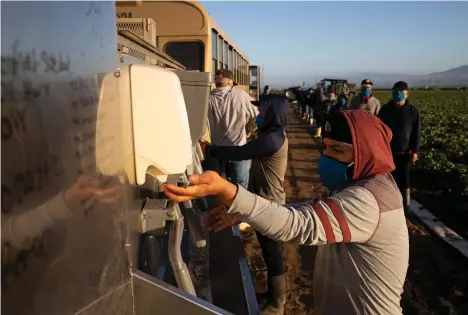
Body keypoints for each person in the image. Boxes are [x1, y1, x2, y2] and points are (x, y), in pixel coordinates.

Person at [163, 110, 409, 315]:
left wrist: (229, 192)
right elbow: (308, 211)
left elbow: (299, 225)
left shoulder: (368, 200)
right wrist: (242, 214)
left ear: (365, 154)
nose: (325, 155)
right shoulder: (359, 184)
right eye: (325, 147)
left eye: (337, 150)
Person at [201, 94, 289, 315]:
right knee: (268, 251)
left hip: (271, 203)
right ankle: (272, 294)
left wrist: (211, 150)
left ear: (272, 112)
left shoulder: (273, 139)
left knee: (272, 253)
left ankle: (278, 304)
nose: (258, 115)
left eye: (262, 111)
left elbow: (241, 153)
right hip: (264, 199)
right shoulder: (271, 135)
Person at [207, 69, 259, 189]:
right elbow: (258, 113)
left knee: (223, 188)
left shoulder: (208, 97)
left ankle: (225, 207)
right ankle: (239, 207)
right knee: (241, 187)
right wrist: (249, 129)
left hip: (218, 150)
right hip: (238, 148)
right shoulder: (240, 94)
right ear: (230, 81)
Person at [378, 81, 421, 214]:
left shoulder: (413, 111)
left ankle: (405, 208)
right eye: (395, 91)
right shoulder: (385, 110)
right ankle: (388, 208)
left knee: (405, 181)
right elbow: (378, 130)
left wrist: (415, 151)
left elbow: (416, 132)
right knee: (387, 180)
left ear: (407, 94)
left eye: (401, 92)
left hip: (405, 153)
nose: (397, 94)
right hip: (387, 152)